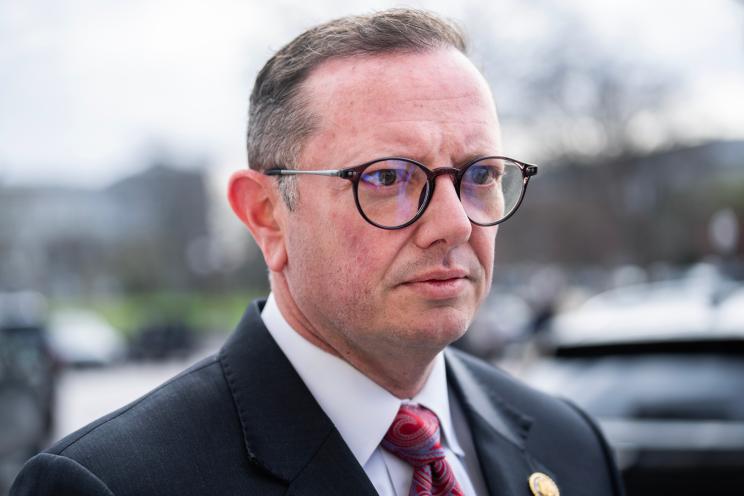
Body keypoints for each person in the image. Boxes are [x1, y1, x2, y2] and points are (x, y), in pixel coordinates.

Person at [11, 9, 623, 496]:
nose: (454, 224)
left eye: (480, 174)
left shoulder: (570, 446)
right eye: (387, 177)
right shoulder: (112, 483)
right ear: (266, 215)